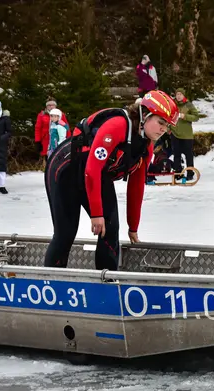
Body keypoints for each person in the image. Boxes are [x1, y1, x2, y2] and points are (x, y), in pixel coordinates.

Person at [44, 90, 179, 270]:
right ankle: (52, 281)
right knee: (65, 233)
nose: (163, 129)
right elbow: (91, 170)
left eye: (167, 126)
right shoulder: (117, 126)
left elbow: (136, 185)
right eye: (161, 123)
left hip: (98, 175)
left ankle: (106, 282)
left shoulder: (145, 144)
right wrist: (96, 213)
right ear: (145, 115)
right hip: (66, 170)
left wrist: (133, 226)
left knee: (110, 230)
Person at [170, 88, 199, 181]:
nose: (178, 96)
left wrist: (185, 116)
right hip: (174, 133)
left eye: (180, 94)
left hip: (187, 135)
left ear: (183, 95)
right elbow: (167, 116)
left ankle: (190, 173)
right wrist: (168, 129)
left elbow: (196, 117)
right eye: (177, 94)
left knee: (188, 155)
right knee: (176, 154)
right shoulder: (172, 105)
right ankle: (178, 173)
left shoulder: (189, 105)